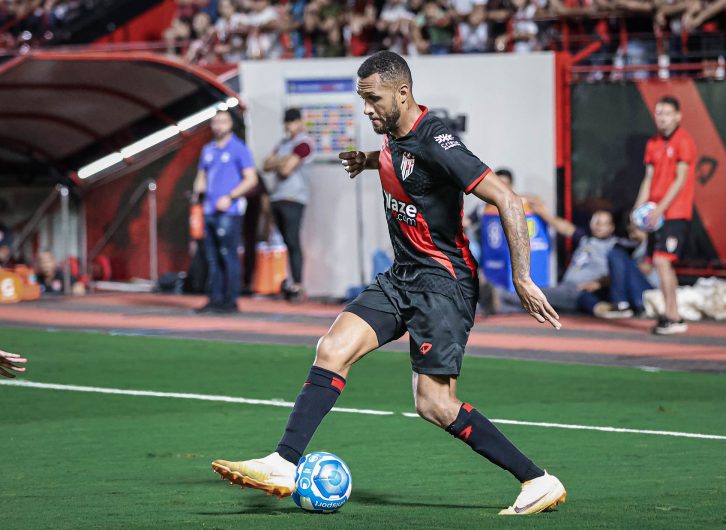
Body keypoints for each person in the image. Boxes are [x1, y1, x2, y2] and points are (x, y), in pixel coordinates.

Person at [212, 51, 566, 516]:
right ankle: (283, 462)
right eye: (362, 99)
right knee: (332, 348)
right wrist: (368, 161)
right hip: (402, 277)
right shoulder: (394, 135)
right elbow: (405, 165)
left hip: (443, 284)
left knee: (435, 404)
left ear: (403, 94)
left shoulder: (437, 140)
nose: (366, 109)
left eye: (373, 99)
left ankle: (537, 480)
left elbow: (508, 199)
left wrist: (522, 277)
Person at [482, 200, 620, 317]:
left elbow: (624, 270)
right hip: (565, 288)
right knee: (538, 308)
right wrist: (543, 212)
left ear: (612, 227)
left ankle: (499, 295)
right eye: (596, 222)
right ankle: (497, 306)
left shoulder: (615, 246)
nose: (598, 226)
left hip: (580, 292)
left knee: (536, 296)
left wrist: (599, 283)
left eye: (603, 223)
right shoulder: (585, 239)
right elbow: (565, 228)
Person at [632, 95, 695, 335]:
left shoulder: (684, 141)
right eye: (659, 113)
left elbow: (680, 180)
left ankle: (674, 315)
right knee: (658, 264)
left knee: (662, 260)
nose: (662, 118)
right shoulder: (653, 143)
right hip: (653, 214)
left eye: (667, 113)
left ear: (678, 116)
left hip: (675, 213)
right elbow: (648, 178)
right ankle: (670, 314)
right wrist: (638, 208)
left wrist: (660, 208)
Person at [193, 109, 258, 313]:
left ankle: (230, 300)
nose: (219, 125)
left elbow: (251, 179)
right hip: (209, 210)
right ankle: (215, 298)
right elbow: (202, 175)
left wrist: (230, 197)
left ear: (231, 124)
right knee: (212, 257)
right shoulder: (208, 149)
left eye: (223, 121)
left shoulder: (238, 148)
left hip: (229, 212)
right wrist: (198, 195)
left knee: (227, 255)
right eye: (215, 121)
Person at [263, 107, 316, 301]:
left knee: (293, 242)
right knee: (285, 243)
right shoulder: (283, 143)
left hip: (294, 199)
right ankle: (290, 282)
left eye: (293, 121)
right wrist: (281, 160)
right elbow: (265, 164)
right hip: (277, 198)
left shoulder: (304, 144)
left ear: (300, 122)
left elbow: (285, 169)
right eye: (287, 122)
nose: (289, 126)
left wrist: (278, 161)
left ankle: (298, 285)